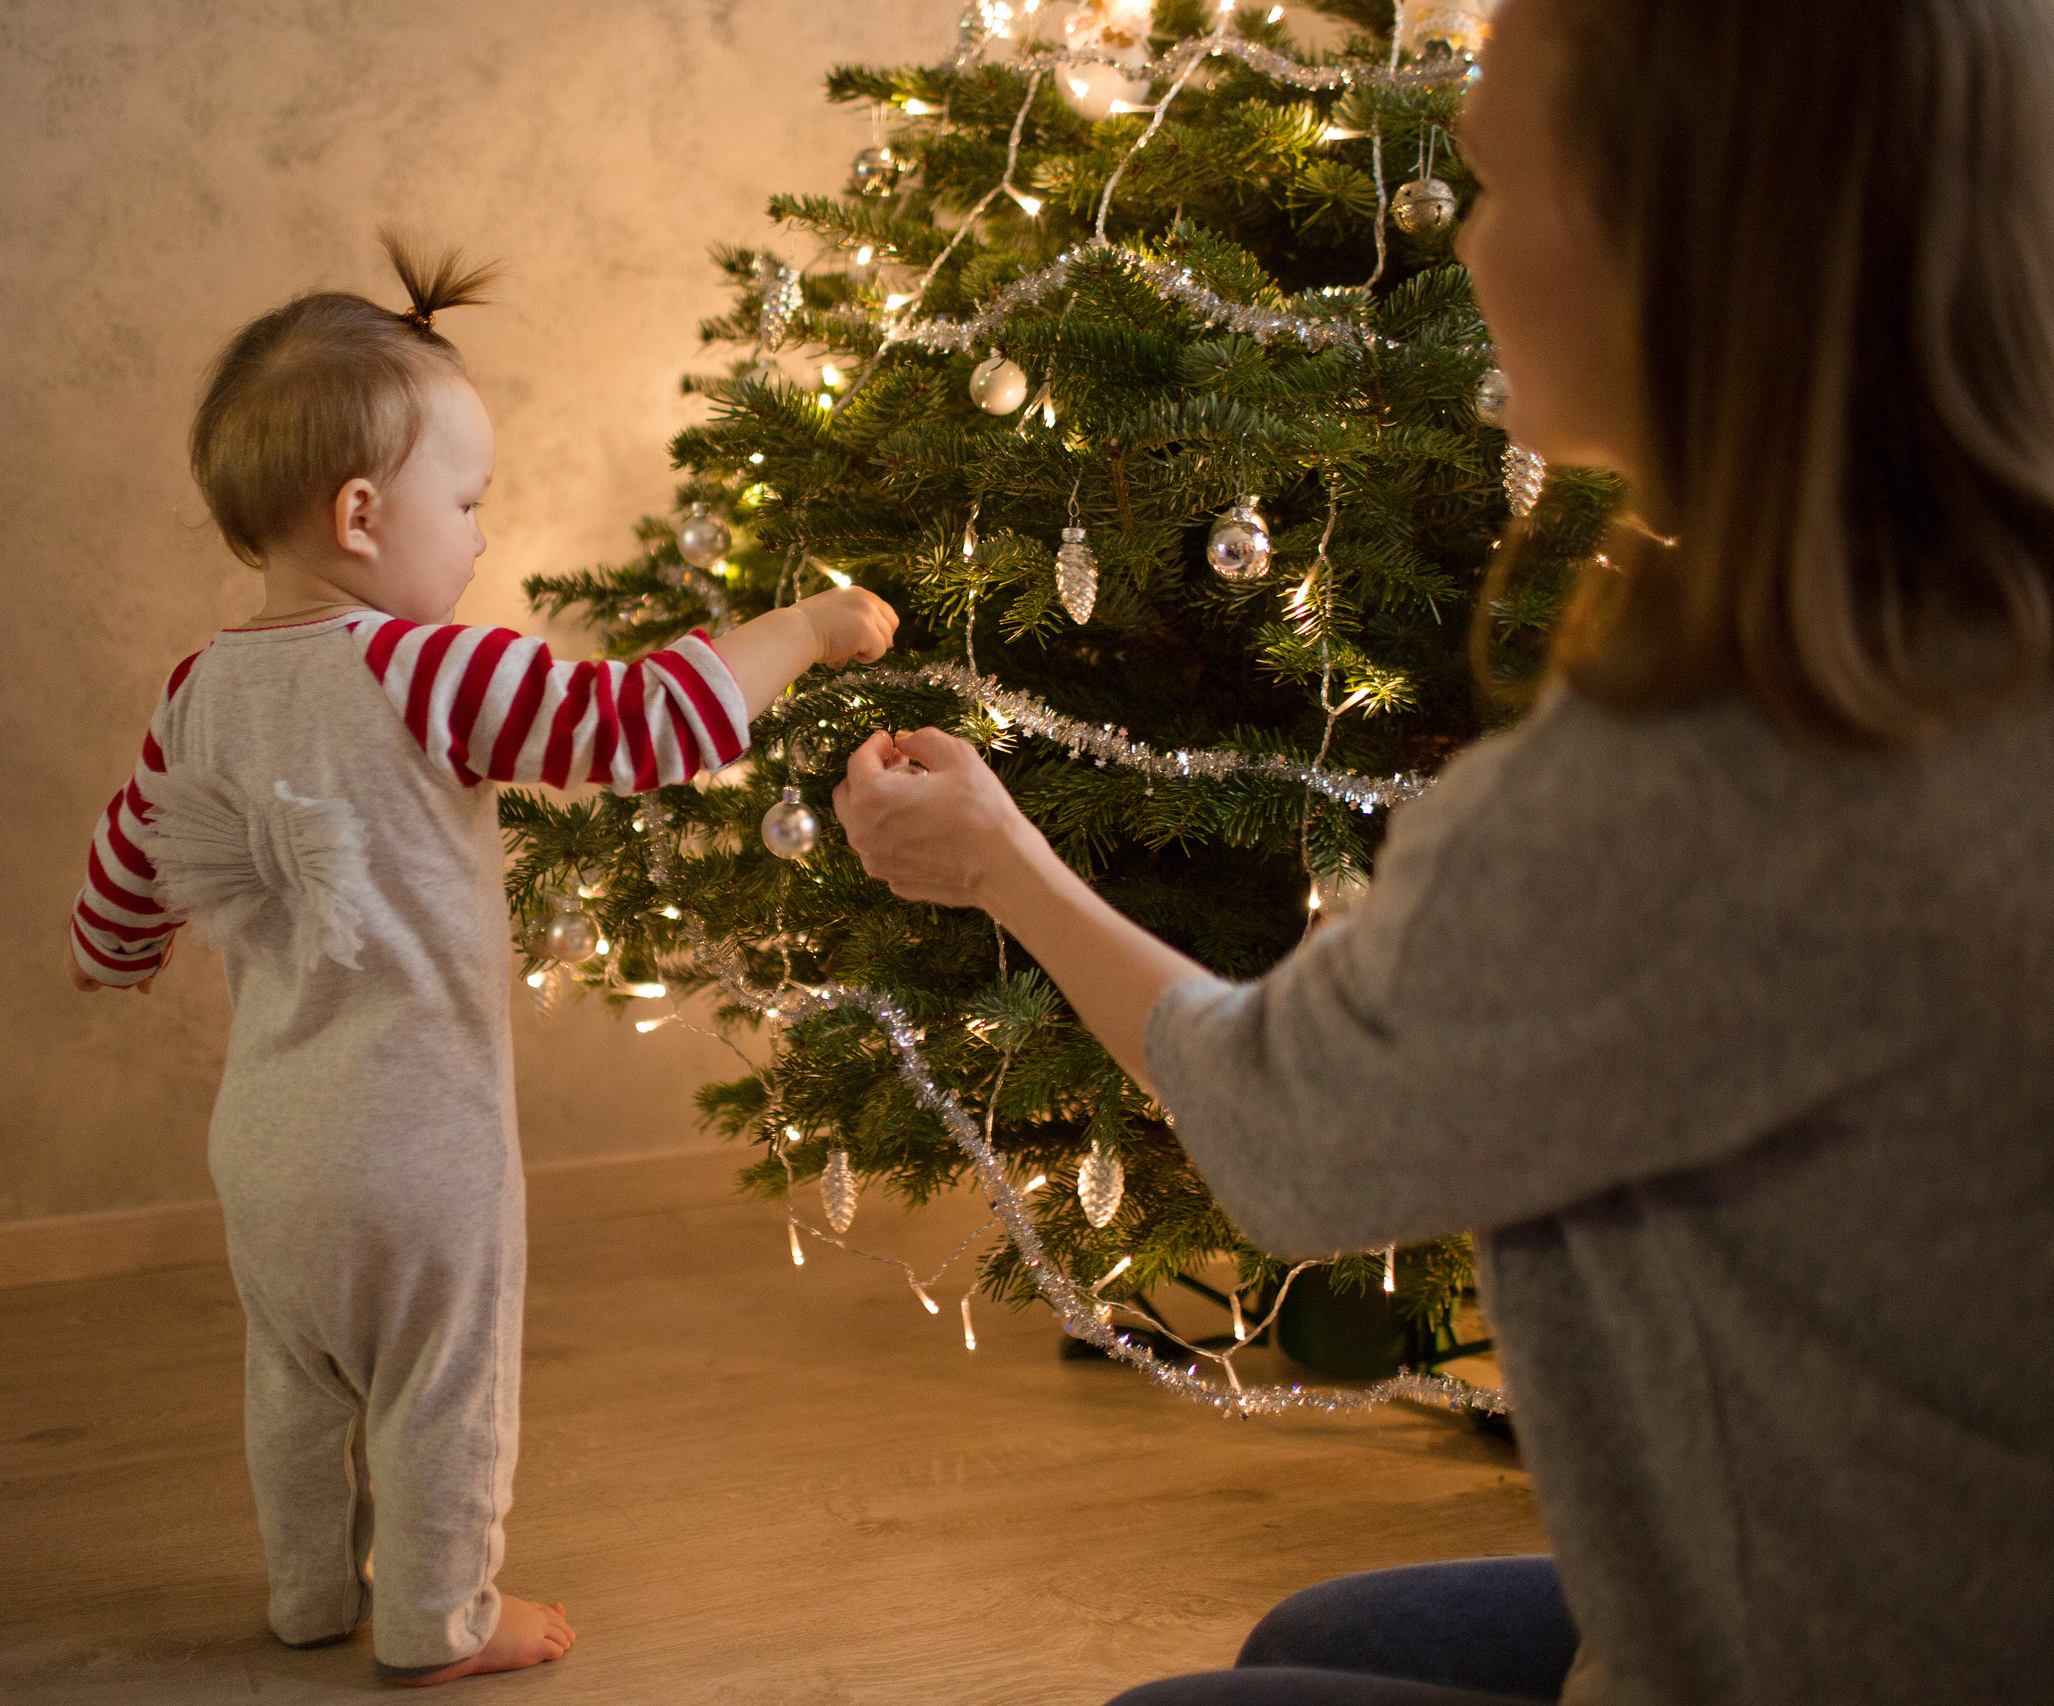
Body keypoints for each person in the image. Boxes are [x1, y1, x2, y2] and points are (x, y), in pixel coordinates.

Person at [832, 0, 2054, 1701]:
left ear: (1675, 234)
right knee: (1329, 1638)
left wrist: (1000, 866)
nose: (1463, 239)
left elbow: (1283, 1135)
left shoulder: (1688, 786)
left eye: (1488, 177)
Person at [67, 237, 896, 1685]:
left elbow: (127, 863)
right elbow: (644, 723)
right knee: (442, 1380)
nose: (480, 539)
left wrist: (114, 952)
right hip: (418, 1142)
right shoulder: (424, 666)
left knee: (296, 1374)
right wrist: (808, 627)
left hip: (262, 1146)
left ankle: (311, 1592)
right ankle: (442, 1616)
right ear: (363, 511)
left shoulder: (197, 689)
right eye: (468, 503)